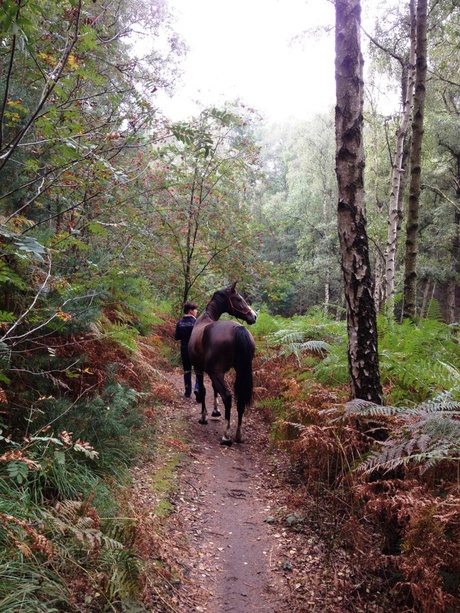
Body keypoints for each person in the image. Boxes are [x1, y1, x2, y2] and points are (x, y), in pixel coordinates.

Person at [174, 300, 198, 398]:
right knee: (198, 370)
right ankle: (198, 388)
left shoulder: (179, 323)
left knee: (187, 370)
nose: (196, 311)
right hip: (195, 349)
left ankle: (187, 392)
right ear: (191, 311)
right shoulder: (196, 322)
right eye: (195, 310)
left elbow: (176, 337)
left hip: (184, 349)